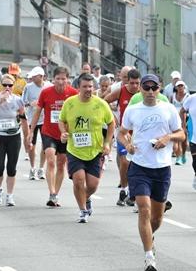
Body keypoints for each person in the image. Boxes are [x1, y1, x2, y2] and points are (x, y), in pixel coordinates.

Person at [118, 74, 184, 271]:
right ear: (140, 89)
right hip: (139, 166)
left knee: (156, 218)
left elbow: (181, 134)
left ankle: (149, 236)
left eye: (153, 87)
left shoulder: (168, 109)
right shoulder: (133, 110)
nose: (149, 91)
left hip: (162, 169)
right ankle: (149, 258)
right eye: (145, 87)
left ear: (159, 88)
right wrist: (127, 144)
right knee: (144, 209)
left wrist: (168, 138)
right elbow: (122, 132)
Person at [58, 73, 115, 223]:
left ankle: (86, 197)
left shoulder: (100, 104)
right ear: (78, 87)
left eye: (90, 86)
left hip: (95, 150)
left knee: (92, 185)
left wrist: (107, 143)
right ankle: (83, 210)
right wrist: (63, 132)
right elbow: (61, 120)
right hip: (74, 149)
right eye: (85, 86)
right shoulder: (69, 103)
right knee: (78, 180)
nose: (88, 89)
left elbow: (111, 123)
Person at [30, 66, 78, 207]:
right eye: (58, 79)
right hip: (48, 132)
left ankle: (55, 194)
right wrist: (31, 131)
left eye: (63, 79)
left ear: (68, 79)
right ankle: (51, 192)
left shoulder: (73, 93)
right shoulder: (46, 93)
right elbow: (37, 112)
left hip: (64, 134)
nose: (61, 82)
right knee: (50, 160)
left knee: (61, 164)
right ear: (53, 79)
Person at [0, 74, 29, 207]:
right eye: (4, 85)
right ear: (0, 85)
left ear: (13, 86)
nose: (7, 88)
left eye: (10, 85)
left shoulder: (18, 100)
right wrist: (0, 102)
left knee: (11, 167)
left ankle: (9, 195)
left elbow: (23, 118)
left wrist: (28, 137)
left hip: (14, 137)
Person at [104, 69, 141, 207]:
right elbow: (105, 102)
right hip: (123, 132)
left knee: (135, 164)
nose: (135, 86)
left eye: (137, 83)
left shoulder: (143, 93)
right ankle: (124, 190)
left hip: (138, 133)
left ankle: (133, 191)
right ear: (127, 81)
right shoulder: (120, 91)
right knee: (125, 162)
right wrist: (113, 116)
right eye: (132, 83)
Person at [22, 66, 51, 180]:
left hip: (45, 119)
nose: (32, 78)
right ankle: (32, 168)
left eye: (35, 76)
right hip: (32, 119)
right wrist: (31, 103)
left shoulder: (49, 86)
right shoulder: (28, 87)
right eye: (32, 76)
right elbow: (23, 102)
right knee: (31, 145)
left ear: (41, 76)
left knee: (45, 145)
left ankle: (41, 169)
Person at [171, 80, 188, 165]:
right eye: (179, 86)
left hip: (185, 119)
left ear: (184, 87)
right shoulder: (173, 96)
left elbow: (185, 111)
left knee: (184, 141)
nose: (180, 87)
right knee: (176, 140)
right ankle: (178, 157)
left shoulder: (187, 96)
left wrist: (184, 124)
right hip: (174, 119)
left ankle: (183, 154)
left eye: (182, 86)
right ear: (176, 87)